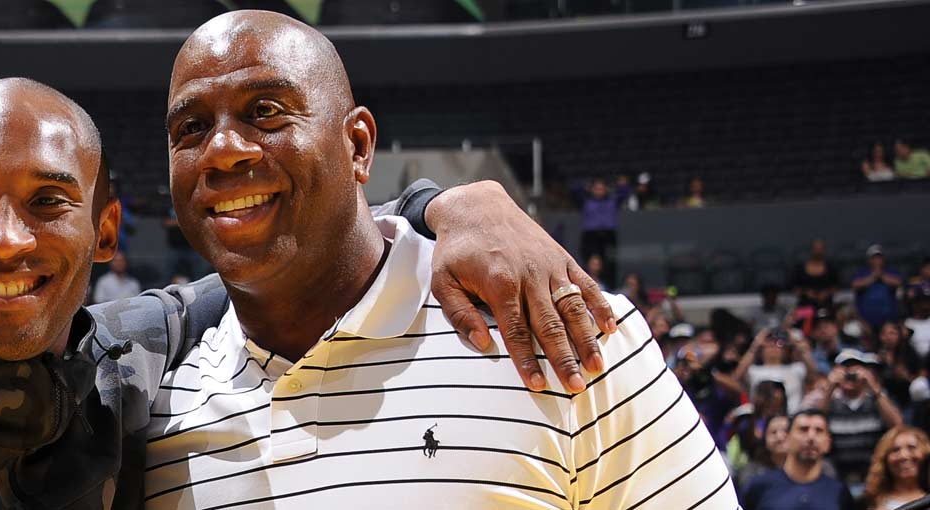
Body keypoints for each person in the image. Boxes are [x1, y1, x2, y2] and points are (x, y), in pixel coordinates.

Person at [0, 78, 616, 508]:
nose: (7, 240)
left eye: (49, 203)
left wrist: (450, 205)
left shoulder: (126, 371)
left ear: (105, 233)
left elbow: (301, 249)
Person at [143, 11, 731, 509]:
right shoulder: (152, 404)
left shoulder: (561, 326)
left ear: (358, 145)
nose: (222, 150)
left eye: (266, 110)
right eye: (191, 128)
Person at [816, 349, 904, 484]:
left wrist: (874, 388)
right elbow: (816, 421)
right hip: (838, 475)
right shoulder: (829, 402)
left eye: (855, 370)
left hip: (873, 475)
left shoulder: (877, 401)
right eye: (845, 370)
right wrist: (830, 387)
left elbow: (897, 426)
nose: (850, 375)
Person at [742, 409, 854, 510]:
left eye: (819, 431)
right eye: (803, 429)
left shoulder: (839, 493)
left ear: (828, 443)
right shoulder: (759, 486)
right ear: (787, 438)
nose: (811, 437)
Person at [735, 326, 819, 413]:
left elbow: (814, 373)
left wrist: (797, 343)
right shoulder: (752, 370)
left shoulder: (797, 369)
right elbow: (737, 376)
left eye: (779, 344)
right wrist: (755, 345)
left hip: (791, 416)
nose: (774, 348)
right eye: (769, 344)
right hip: (760, 416)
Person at [574, 177, 629, 284]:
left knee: (609, 263)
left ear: (606, 189)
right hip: (590, 236)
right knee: (588, 262)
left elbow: (624, 193)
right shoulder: (586, 201)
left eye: (601, 189)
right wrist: (585, 186)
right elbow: (574, 190)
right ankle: (588, 284)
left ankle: (608, 286)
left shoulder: (612, 201)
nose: (599, 191)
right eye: (596, 189)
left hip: (608, 236)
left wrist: (621, 185)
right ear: (592, 189)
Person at [862, 426, 930, 510]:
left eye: (911, 447)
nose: (904, 456)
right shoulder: (872, 501)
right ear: (884, 458)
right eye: (895, 450)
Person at [854, 244, 905, 332]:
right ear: (869, 260)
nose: (877, 260)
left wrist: (882, 275)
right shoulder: (862, 272)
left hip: (888, 318)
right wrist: (873, 277)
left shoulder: (891, 271)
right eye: (874, 258)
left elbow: (898, 283)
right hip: (866, 319)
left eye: (879, 258)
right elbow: (855, 285)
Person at [735, 413, 791, 491]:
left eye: (786, 431)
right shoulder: (751, 472)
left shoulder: (804, 470)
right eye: (773, 432)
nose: (779, 437)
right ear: (764, 439)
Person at [794, 239, 839, 310]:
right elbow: (796, 289)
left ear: (824, 250)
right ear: (811, 250)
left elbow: (836, 287)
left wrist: (826, 293)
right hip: (805, 304)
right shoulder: (801, 269)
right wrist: (806, 293)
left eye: (820, 249)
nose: (818, 251)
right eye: (816, 249)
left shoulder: (831, 268)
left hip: (825, 305)